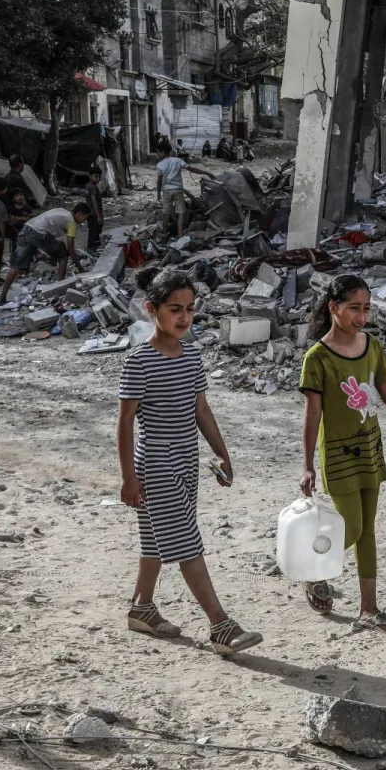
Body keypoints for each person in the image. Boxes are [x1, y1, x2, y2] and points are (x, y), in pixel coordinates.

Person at [117, 267, 261, 655]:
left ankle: (141, 608)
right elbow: (125, 422)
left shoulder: (191, 355)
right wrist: (129, 477)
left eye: (190, 309)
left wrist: (222, 452)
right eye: (174, 309)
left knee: (156, 539)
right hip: (156, 462)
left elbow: (202, 409)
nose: (183, 317)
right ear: (151, 309)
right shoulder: (139, 361)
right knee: (184, 540)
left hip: (186, 458)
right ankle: (220, 625)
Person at [297, 275, 386, 634]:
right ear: (334, 308)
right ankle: (310, 568)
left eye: (366, 308)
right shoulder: (317, 357)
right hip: (336, 452)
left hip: (369, 447)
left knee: (368, 532)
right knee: (352, 526)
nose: (361, 316)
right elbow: (312, 414)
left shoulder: (372, 346)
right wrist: (306, 466)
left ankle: (369, 609)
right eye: (354, 308)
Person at [0, 204, 89, 303]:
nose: (84, 220)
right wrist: (80, 268)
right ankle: (60, 288)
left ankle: (2, 298)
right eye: (85, 217)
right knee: (63, 256)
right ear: (79, 214)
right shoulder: (71, 223)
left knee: (16, 266)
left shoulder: (61, 210)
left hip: (27, 229)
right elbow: (70, 248)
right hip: (39, 234)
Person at [155, 140, 189, 238]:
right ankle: (180, 235)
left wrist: (158, 194)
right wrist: (207, 173)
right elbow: (191, 168)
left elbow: (159, 182)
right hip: (178, 190)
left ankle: (165, 235)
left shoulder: (160, 165)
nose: (157, 154)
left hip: (166, 191)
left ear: (162, 152)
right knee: (181, 213)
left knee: (166, 213)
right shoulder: (177, 160)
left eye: (158, 152)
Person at [84, 167, 105, 253]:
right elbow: (94, 201)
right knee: (95, 233)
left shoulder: (89, 186)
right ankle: (92, 250)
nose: (98, 179)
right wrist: (99, 216)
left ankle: (92, 249)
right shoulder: (92, 187)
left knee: (93, 232)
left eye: (99, 177)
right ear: (90, 176)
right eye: (96, 176)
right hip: (94, 214)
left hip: (91, 214)